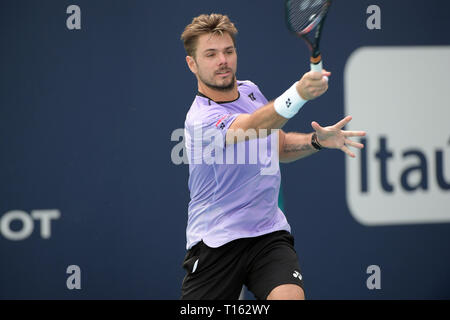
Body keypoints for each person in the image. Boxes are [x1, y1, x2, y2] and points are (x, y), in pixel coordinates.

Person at [180, 13, 365, 300]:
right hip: (216, 242)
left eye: (228, 51)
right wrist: (299, 94)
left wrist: (316, 140)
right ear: (192, 63)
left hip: (268, 234)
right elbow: (253, 127)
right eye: (211, 54)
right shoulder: (200, 119)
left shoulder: (250, 92)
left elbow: (275, 146)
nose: (223, 61)